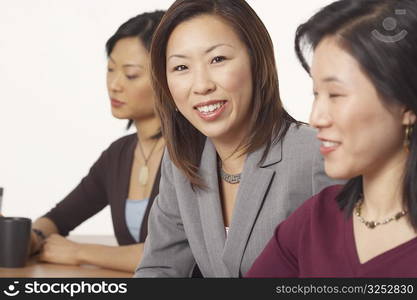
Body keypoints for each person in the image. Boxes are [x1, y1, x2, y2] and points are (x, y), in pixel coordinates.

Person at [134, 0, 337, 278]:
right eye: (181, 67)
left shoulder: (317, 154)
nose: (202, 84)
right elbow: (160, 269)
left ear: (256, 60)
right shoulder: (182, 159)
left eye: (218, 59)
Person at [246, 0, 417, 278]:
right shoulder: (315, 220)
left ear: (407, 104)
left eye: (335, 95)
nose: (316, 118)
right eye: (316, 94)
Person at [28, 10, 166, 273]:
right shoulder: (119, 154)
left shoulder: (194, 152)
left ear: (170, 74)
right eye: (110, 69)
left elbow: (175, 253)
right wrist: (31, 238)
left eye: (131, 74)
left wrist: (79, 251)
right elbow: (58, 218)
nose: (114, 84)